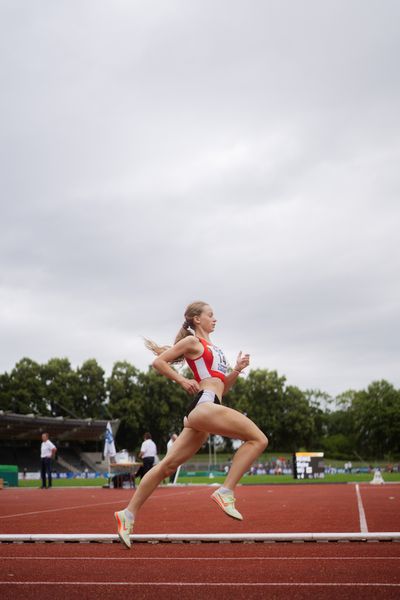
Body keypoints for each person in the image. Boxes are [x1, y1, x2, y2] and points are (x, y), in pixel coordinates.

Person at [114, 301, 268, 549]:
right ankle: (225, 491)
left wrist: (237, 370)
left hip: (207, 408)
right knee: (259, 439)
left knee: (166, 466)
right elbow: (159, 362)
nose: (215, 319)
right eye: (211, 315)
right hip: (203, 405)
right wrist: (182, 380)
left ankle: (127, 515)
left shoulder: (215, 350)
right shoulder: (192, 342)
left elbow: (221, 388)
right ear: (197, 319)